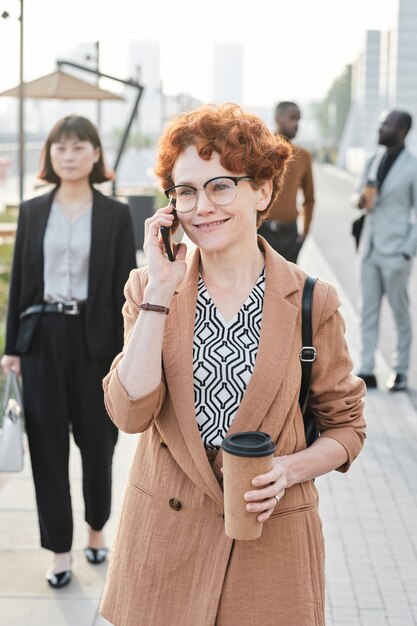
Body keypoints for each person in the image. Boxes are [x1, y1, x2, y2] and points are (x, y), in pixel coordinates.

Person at [99, 103, 366, 626]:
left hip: (269, 548)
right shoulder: (148, 288)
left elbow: (347, 429)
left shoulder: (313, 301)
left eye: (221, 186)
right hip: (163, 547)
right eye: (187, 191)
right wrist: (158, 291)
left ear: (262, 191)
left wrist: (288, 469)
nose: (203, 207)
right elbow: (129, 415)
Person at [1, 115, 136, 588]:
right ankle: (59, 551)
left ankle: (97, 530)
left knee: (99, 445)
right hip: (41, 340)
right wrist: (12, 347)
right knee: (47, 447)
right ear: (49, 156)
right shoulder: (34, 210)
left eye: (79, 146)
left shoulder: (116, 215)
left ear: (96, 154)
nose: (69, 155)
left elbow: (127, 286)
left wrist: (129, 351)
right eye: (60, 148)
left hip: (97, 343)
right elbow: (20, 281)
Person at [354, 109, 417, 392]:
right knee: (367, 312)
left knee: (400, 313)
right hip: (369, 248)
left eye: (386, 124)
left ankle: (400, 371)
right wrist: (359, 200)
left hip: (396, 253)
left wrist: (407, 251)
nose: (380, 128)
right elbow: (358, 195)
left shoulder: (413, 166)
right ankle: (367, 369)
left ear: (402, 129)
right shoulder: (372, 159)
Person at [258, 100, 315, 263]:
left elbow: (309, 198)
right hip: (261, 232)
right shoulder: (260, 151)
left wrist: (304, 233)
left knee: (288, 286)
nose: (297, 124)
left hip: (289, 235)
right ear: (278, 118)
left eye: (299, 119)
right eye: (293, 118)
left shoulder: (303, 156)